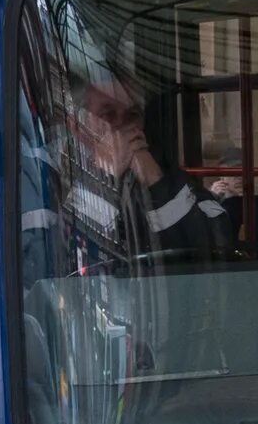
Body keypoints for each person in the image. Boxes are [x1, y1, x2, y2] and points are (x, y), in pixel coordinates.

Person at [35, 70, 239, 273]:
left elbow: (218, 241)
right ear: (78, 128)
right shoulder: (58, 176)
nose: (125, 127)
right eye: (108, 115)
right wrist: (110, 176)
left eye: (132, 116)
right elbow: (80, 262)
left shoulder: (165, 172)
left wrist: (156, 181)